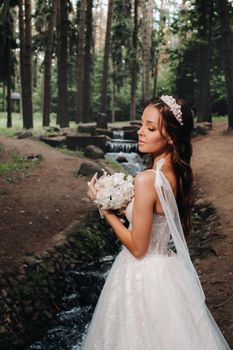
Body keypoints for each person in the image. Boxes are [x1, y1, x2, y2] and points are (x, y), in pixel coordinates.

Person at [84, 96, 231, 349]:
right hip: (165, 269)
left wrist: (104, 209)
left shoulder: (147, 179)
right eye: (142, 125)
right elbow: (154, 215)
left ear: (171, 137)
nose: (140, 132)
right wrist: (122, 206)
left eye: (150, 128)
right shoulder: (174, 173)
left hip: (141, 274)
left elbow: (138, 248)